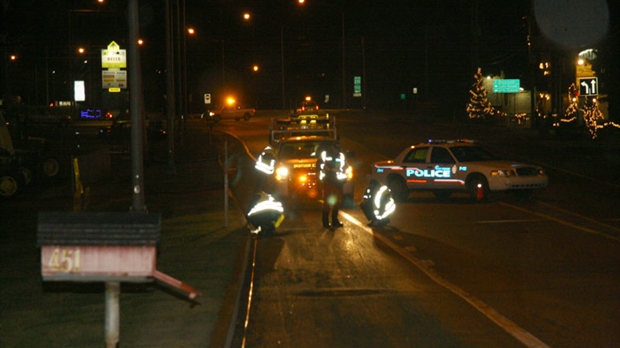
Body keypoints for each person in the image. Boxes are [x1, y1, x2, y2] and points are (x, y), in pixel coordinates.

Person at [318, 141, 348, 228]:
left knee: (337, 202)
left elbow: (345, 166)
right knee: (327, 202)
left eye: (338, 149)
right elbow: (319, 164)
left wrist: (343, 173)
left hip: (338, 182)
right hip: (328, 180)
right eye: (335, 148)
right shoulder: (325, 154)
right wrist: (329, 169)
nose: (336, 151)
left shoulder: (341, 155)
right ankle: (325, 222)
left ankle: (335, 220)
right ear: (332, 147)